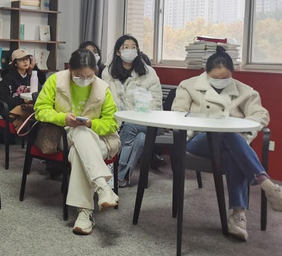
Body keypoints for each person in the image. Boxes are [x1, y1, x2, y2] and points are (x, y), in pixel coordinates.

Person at [171, 46, 282, 241]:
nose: (221, 81)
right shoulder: (188, 86)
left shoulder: (244, 91)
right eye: (216, 77)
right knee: (226, 133)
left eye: (226, 77)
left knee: (232, 146)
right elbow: (178, 114)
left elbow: (260, 114)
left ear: (232, 73)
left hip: (232, 142)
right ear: (206, 73)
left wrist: (243, 128)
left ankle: (237, 215)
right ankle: (266, 185)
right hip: (198, 141)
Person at [34, 49, 120, 236]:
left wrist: (91, 124)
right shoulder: (56, 81)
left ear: (95, 71)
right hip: (63, 137)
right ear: (70, 70)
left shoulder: (103, 88)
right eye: (79, 76)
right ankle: (102, 187)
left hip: (99, 141)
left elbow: (112, 123)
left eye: (89, 76)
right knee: (80, 134)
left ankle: (85, 213)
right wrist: (62, 118)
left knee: (79, 146)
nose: (85, 80)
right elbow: (40, 110)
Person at [102, 35, 162, 187]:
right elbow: (105, 99)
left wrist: (139, 114)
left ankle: (114, 172)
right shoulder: (108, 72)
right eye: (126, 47)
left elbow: (156, 102)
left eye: (134, 47)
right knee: (140, 138)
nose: (130, 50)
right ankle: (121, 177)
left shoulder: (148, 72)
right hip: (117, 120)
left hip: (146, 120)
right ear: (118, 52)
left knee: (131, 126)